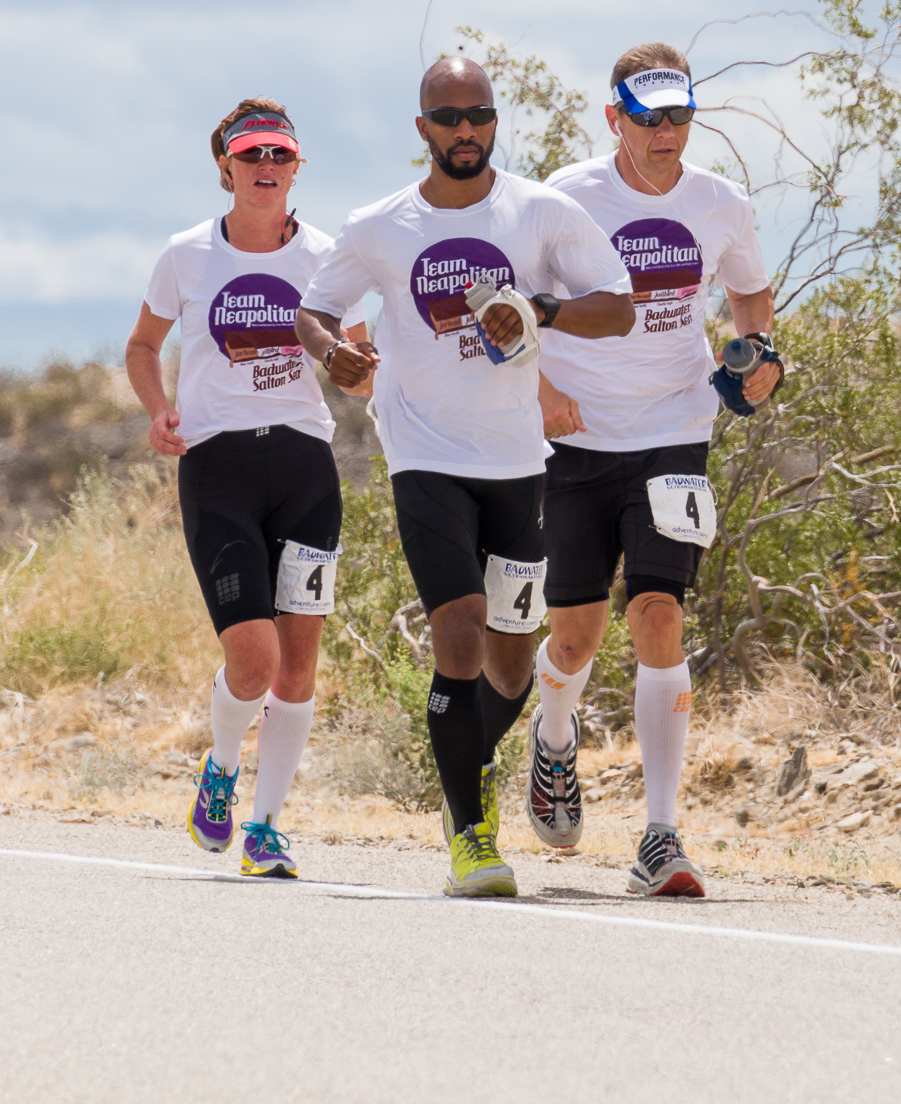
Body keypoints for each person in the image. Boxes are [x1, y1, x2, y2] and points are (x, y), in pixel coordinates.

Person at [295, 56, 635, 899]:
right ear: (422, 128)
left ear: (494, 119)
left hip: (516, 462)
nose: (465, 131)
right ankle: (472, 838)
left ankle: (467, 774)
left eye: (478, 115)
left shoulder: (541, 212)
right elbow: (312, 306)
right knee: (458, 634)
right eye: (447, 118)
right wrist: (333, 351)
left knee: (513, 667)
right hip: (424, 454)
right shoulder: (380, 224)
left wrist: (542, 309)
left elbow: (619, 304)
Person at [532, 42, 782, 897]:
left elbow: (748, 292)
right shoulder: (565, 198)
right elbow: (509, 306)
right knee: (574, 635)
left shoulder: (721, 204)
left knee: (658, 611)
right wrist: (537, 389)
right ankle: (554, 732)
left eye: (679, 114)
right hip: (574, 438)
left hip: (676, 430)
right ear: (615, 118)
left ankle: (660, 836)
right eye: (649, 116)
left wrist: (759, 352)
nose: (667, 130)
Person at [126, 100, 373, 878]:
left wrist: (357, 369)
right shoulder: (186, 254)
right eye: (252, 153)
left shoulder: (331, 259)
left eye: (281, 154)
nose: (266, 166)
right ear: (226, 166)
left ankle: (266, 828)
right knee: (254, 657)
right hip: (217, 470)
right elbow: (142, 345)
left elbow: (362, 370)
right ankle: (223, 765)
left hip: (304, 470)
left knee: (298, 666)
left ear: (297, 167)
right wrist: (158, 409)